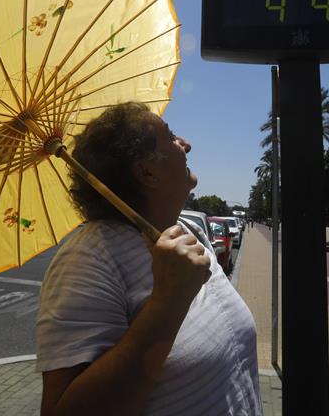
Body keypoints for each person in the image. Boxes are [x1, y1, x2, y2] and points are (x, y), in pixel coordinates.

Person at [36, 102, 262, 415]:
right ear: (146, 171)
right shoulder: (88, 260)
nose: (187, 144)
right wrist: (168, 301)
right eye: (170, 137)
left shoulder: (187, 228)